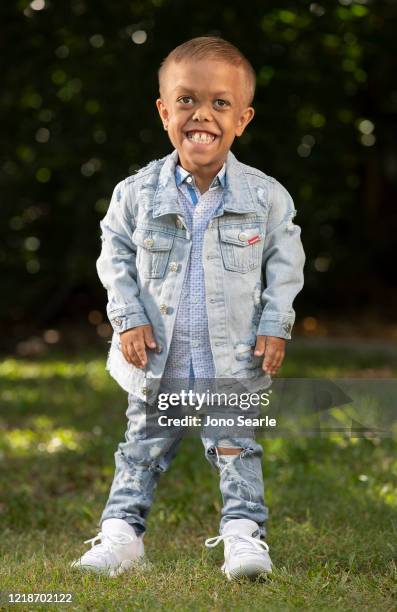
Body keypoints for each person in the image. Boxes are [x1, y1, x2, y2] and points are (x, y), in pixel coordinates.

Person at [71, 36, 305, 580]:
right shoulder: (136, 194)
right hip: (160, 359)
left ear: (243, 119)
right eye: (187, 100)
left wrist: (275, 324)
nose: (203, 114)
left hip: (230, 361)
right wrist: (127, 317)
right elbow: (115, 254)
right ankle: (122, 535)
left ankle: (244, 536)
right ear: (163, 112)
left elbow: (285, 263)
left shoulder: (266, 197)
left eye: (220, 103)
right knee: (140, 450)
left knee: (235, 447)